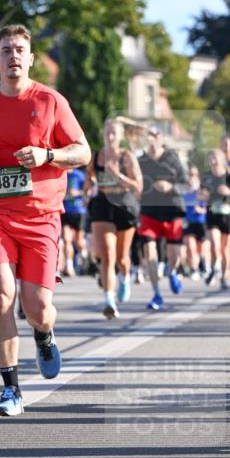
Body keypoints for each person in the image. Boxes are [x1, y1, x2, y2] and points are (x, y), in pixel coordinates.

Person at [0, 24, 90, 416]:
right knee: (1, 296)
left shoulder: (50, 101)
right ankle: (10, 389)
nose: (13, 56)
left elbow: (83, 152)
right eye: (6, 49)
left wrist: (48, 157)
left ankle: (44, 335)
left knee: (38, 307)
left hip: (41, 216)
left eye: (20, 49)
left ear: (29, 58)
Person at [85, 118, 142, 319]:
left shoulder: (127, 157)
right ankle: (109, 299)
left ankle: (125, 277)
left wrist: (119, 176)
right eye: (107, 132)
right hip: (102, 204)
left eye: (113, 133)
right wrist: (87, 192)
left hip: (123, 204)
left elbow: (138, 186)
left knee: (122, 258)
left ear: (120, 136)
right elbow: (88, 182)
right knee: (107, 254)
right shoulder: (95, 157)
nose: (110, 137)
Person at [137, 127, 189, 310]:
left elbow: (186, 184)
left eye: (154, 135)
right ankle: (156, 293)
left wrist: (170, 187)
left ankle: (173, 271)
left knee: (174, 255)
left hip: (172, 210)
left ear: (161, 138)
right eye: (147, 136)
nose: (150, 139)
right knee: (149, 252)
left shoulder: (172, 158)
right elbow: (134, 181)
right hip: (149, 211)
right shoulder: (140, 160)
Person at [200, 148, 230, 290]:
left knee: (225, 249)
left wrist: (229, 192)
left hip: (227, 215)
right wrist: (203, 195)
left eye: (215, 158)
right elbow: (200, 195)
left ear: (222, 160)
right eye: (211, 158)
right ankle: (215, 268)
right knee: (215, 244)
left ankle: (224, 275)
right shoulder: (206, 177)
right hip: (212, 214)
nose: (213, 161)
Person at [182, 166, 210, 280]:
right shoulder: (184, 194)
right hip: (189, 223)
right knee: (190, 246)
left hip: (201, 222)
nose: (192, 182)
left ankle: (203, 265)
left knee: (201, 248)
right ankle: (194, 269)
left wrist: (201, 210)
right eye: (190, 180)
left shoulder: (202, 193)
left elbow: (209, 208)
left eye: (194, 180)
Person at [60, 165, 88, 276]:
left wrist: (77, 193)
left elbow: (87, 191)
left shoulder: (79, 175)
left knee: (78, 240)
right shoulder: (61, 175)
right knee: (66, 239)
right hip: (65, 210)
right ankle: (69, 265)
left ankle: (84, 255)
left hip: (79, 210)